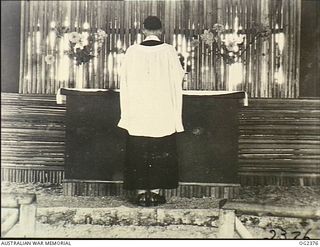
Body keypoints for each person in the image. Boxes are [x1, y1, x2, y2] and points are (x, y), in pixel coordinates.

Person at [118, 16, 185, 206]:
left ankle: (140, 193)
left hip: (139, 109)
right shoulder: (169, 51)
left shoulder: (132, 51)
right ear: (161, 30)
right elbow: (179, 76)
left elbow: (124, 78)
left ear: (143, 30)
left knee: (138, 149)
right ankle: (154, 193)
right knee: (160, 148)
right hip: (162, 109)